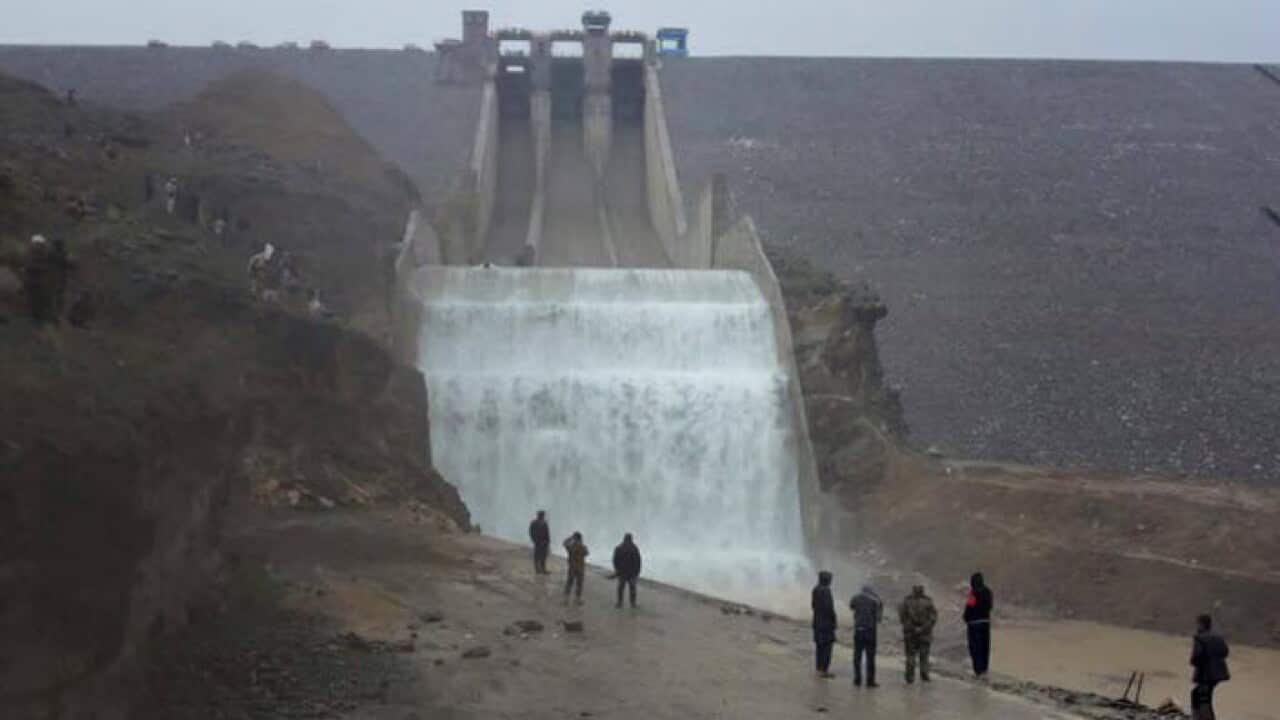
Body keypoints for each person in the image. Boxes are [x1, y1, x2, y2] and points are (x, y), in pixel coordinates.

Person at [1190, 614, 1230, 720]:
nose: (1197, 627)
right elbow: (1225, 652)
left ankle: (1200, 718)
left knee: (1202, 698)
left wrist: (1194, 662)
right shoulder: (1218, 637)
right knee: (1200, 695)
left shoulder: (1200, 638)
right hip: (1217, 675)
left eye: (1198, 624)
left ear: (1202, 625)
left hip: (1206, 674)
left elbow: (1196, 656)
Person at [899, 584, 938, 683]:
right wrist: (923, 628)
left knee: (910, 655)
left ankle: (910, 677)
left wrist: (913, 628)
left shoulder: (906, 601)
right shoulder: (928, 602)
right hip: (925, 634)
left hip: (910, 634)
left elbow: (903, 617)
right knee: (924, 655)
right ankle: (924, 675)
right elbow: (933, 618)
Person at [849, 584, 883, 687]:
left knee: (857, 656)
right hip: (870, 631)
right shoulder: (875, 601)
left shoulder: (855, 598)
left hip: (858, 630)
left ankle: (857, 679)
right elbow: (878, 619)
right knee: (870, 657)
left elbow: (851, 607)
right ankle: (870, 681)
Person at [963, 572, 994, 678]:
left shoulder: (973, 593)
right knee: (985, 647)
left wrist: (966, 617)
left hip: (974, 623)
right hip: (985, 622)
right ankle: (985, 670)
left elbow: (969, 607)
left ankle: (978, 671)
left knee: (975, 648)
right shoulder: (988, 592)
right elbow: (990, 606)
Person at [810, 571, 837, 678]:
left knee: (819, 647)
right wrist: (834, 620)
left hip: (817, 622)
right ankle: (824, 670)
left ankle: (818, 669)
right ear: (827, 580)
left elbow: (813, 605)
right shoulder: (826, 591)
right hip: (826, 625)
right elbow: (829, 608)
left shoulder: (815, 589)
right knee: (827, 647)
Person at [611, 533, 642, 609]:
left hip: (622, 572)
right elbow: (638, 561)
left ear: (624, 539)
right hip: (631, 573)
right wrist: (637, 572)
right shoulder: (634, 548)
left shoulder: (619, 548)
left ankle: (619, 603)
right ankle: (632, 603)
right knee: (632, 588)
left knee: (621, 588)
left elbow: (615, 560)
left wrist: (617, 570)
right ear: (631, 539)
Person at [562, 532, 589, 604]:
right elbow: (587, 553)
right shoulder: (582, 547)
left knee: (570, 583)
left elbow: (564, 543)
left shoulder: (571, 546)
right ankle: (577, 599)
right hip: (579, 568)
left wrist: (570, 538)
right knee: (578, 584)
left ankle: (566, 599)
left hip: (573, 568)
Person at [528, 510, 550, 575]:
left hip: (544, 542)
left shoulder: (545, 523)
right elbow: (531, 533)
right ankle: (537, 569)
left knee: (543, 556)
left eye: (543, 515)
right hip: (538, 542)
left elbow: (547, 534)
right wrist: (535, 541)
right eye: (542, 515)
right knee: (537, 556)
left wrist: (548, 542)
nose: (543, 516)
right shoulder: (534, 523)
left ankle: (543, 569)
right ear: (538, 515)